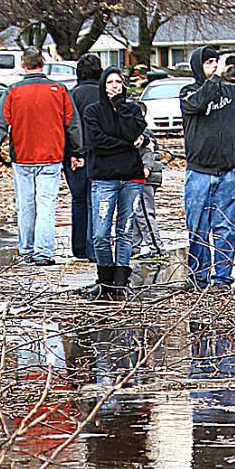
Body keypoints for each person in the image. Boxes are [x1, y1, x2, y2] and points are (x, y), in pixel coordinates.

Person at [179, 44, 235, 290]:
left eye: (215, 62)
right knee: (198, 230)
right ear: (199, 67)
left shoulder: (233, 93)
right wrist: (217, 76)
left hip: (227, 174)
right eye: (208, 63)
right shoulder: (189, 92)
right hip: (199, 174)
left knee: (227, 230)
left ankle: (222, 279)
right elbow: (198, 104)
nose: (213, 67)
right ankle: (198, 278)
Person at [0, 47, 81, 266]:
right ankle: (43, 251)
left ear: (23, 65)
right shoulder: (59, 90)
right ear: (43, 64)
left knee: (26, 205)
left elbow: (0, 123)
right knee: (46, 205)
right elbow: (72, 124)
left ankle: (27, 249)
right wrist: (77, 151)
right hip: (51, 155)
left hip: (22, 155)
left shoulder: (13, 91)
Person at [80, 68, 148, 298]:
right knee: (100, 234)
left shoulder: (131, 110)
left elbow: (133, 130)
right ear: (102, 85)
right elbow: (97, 142)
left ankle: (121, 279)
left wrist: (121, 107)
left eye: (118, 82)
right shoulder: (93, 111)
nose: (114, 86)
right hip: (104, 178)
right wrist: (129, 144)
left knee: (125, 230)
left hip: (131, 177)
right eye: (110, 82)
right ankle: (105, 278)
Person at [65, 51, 102, 261]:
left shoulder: (72, 95)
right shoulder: (103, 94)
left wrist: (72, 152)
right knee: (95, 200)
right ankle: (93, 247)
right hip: (99, 153)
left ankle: (78, 246)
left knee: (78, 199)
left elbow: (68, 126)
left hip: (74, 153)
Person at [129, 128, 164, 257]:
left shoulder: (143, 134)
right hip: (142, 178)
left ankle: (157, 249)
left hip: (145, 180)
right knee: (138, 213)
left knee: (144, 214)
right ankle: (134, 248)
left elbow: (149, 152)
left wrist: (146, 168)